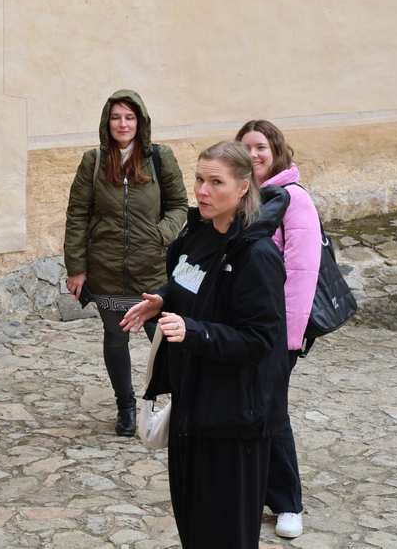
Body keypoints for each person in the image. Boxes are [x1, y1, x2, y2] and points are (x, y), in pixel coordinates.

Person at [121, 141, 289, 548]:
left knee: (226, 534)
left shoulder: (257, 254)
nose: (202, 191)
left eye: (216, 182)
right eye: (199, 179)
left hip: (234, 418)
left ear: (243, 187)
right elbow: (188, 283)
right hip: (192, 405)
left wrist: (196, 331)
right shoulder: (197, 234)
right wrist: (163, 300)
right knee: (194, 526)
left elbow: (261, 339)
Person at [63, 89, 187, 435]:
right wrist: (76, 268)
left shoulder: (160, 158)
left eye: (129, 117)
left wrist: (161, 234)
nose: (122, 124)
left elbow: (179, 205)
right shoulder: (94, 161)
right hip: (106, 270)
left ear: (140, 121)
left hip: (152, 271)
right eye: (116, 117)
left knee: (162, 340)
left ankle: (171, 403)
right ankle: (126, 406)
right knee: (115, 339)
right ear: (107, 122)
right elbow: (77, 214)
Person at [237, 119, 320, 540]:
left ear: (276, 151)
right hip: (245, 329)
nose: (254, 155)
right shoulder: (246, 196)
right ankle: (254, 494)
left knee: (272, 413)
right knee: (251, 410)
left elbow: (302, 273)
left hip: (276, 333)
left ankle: (288, 502)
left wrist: (287, 338)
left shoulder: (293, 199)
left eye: (261, 147)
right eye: (246, 147)